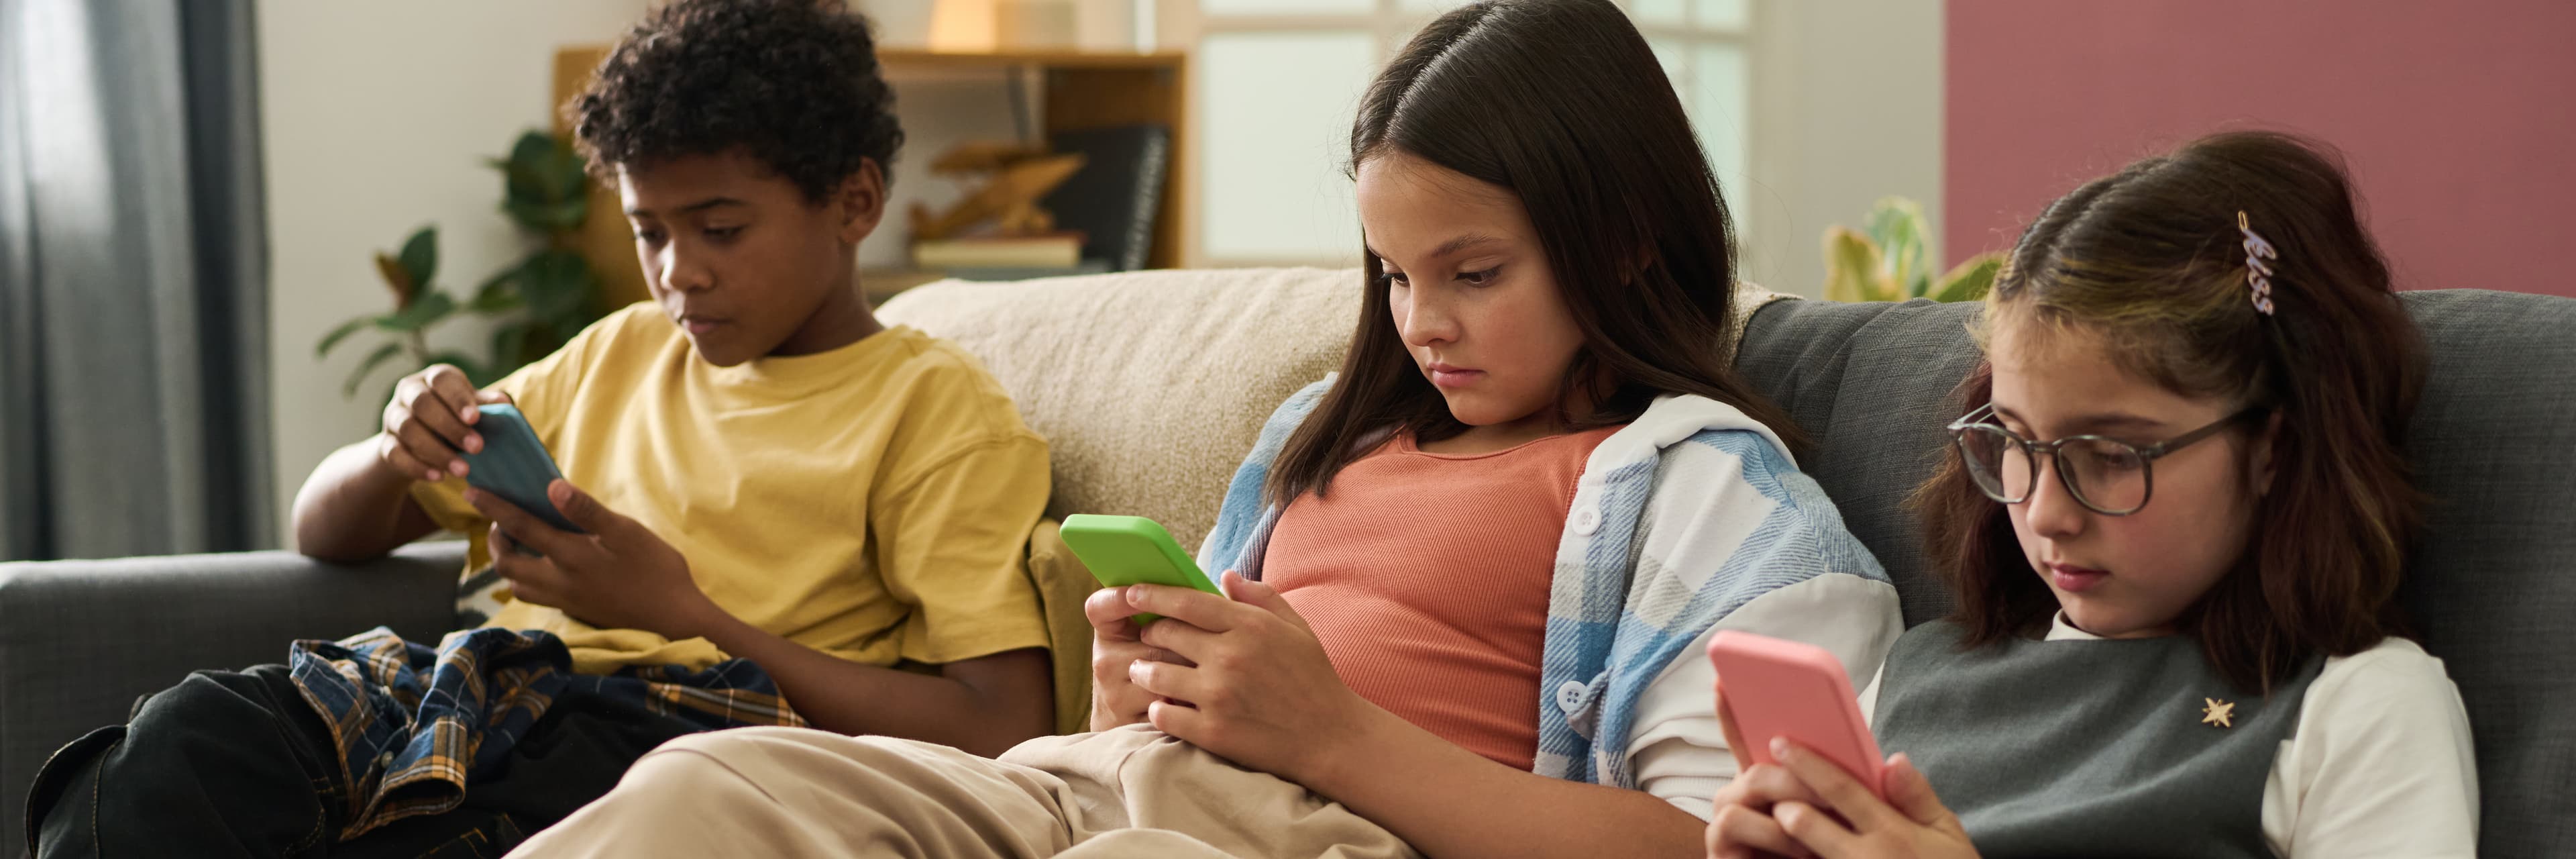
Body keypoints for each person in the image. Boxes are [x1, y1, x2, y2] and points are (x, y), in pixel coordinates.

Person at [509, 1, 1900, 856]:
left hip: (1315, 834)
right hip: (1089, 785)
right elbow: (1163, 718)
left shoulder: (1695, 488)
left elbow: (1716, 845)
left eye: (1473, 272)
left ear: (1628, 241)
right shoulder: (1321, 436)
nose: (1424, 322)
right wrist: (1144, 686)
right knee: (714, 784)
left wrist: (1336, 736)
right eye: (1395, 275)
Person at [26, 1, 1057, 854]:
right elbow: (326, 533)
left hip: (682, 738)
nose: (677, 273)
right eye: (649, 230)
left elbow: (1004, 728)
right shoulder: (616, 351)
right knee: (185, 739)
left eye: (722, 230)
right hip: (471, 700)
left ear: (856, 202)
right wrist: (395, 452)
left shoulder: (936, 415)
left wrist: (683, 610)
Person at [1704, 131, 2478, 859]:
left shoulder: (2353, 705)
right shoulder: (1920, 672)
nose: (2045, 514)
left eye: (2109, 455)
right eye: (2012, 440)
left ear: (2275, 446)